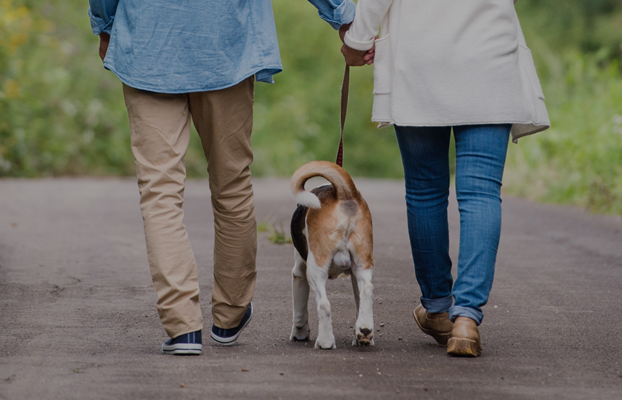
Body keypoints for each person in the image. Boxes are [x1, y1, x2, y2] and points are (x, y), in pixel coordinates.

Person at [89, 0, 359, 356]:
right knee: (231, 185)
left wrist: (106, 22)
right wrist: (345, 15)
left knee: (159, 191)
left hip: (149, 43)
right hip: (225, 44)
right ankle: (229, 315)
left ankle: (182, 325)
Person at [341, 0, 551, 357]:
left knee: (425, 191)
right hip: (491, 55)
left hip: (419, 58)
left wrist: (356, 40)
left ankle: (438, 308)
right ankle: (467, 317)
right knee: (482, 192)